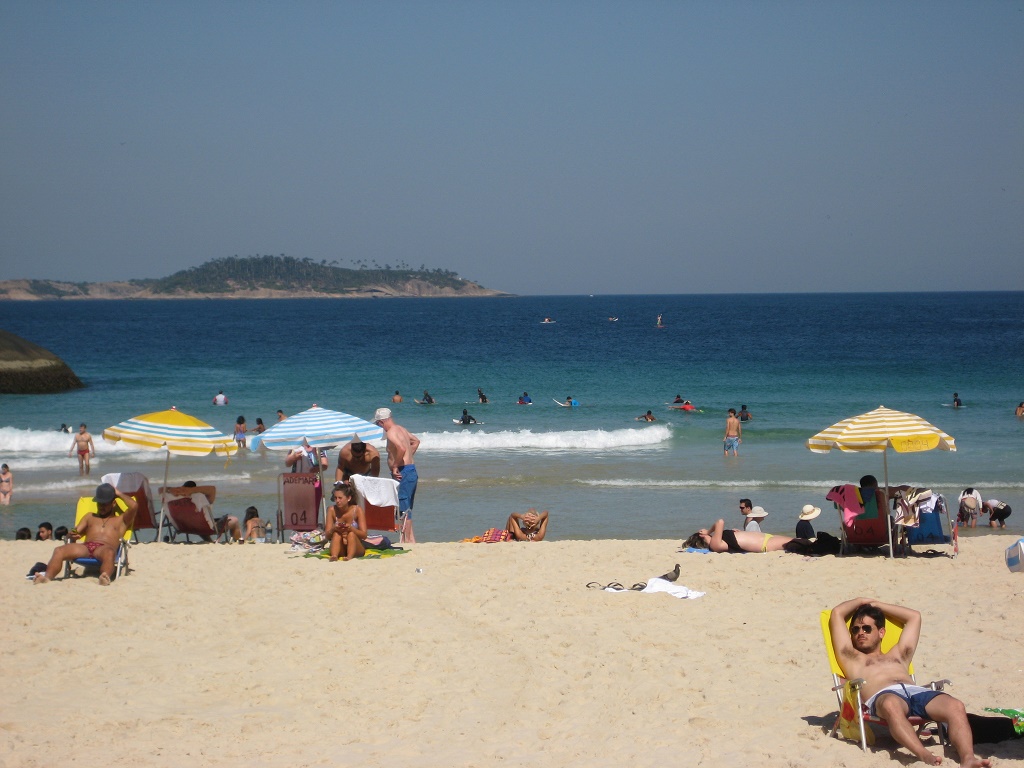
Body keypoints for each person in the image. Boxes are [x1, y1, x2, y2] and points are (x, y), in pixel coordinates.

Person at [829, 598, 990, 768]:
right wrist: (861, 601)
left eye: (867, 628)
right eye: (855, 629)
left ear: (881, 632)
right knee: (891, 705)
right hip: (884, 696)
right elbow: (837, 613)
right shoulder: (852, 658)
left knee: (955, 705)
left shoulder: (898, 654)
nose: (860, 632)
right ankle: (923, 754)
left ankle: (968, 758)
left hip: (916, 692)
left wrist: (875, 605)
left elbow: (914, 617)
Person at [34, 483, 138, 585]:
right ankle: (47, 578)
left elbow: (134, 506)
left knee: (109, 553)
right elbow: (75, 531)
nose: (101, 506)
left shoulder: (121, 520)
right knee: (59, 550)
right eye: (99, 503)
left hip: (105, 549)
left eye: (105, 503)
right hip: (86, 547)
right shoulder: (89, 516)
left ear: (113, 503)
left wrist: (118, 493)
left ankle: (104, 577)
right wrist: (71, 535)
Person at [373, 407, 420, 543]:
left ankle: (406, 540)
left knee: (403, 507)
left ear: (381, 422)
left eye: (378, 424)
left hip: (403, 471)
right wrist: (408, 457)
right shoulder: (401, 429)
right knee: (406, 506)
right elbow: (416, 441)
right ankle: (410, 539)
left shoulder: (391, 432)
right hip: (410, 470)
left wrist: (395, 466)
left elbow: (401, 448)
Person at [683, 519, 809, 554]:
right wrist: (708, 530)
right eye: (704, 535)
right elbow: (720, 522)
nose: (708, 534)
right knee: (803, 543)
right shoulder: (715, 545)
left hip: (766, 538)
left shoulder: (718, 540)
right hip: (765, 544)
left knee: (801, 542)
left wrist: (734, 533)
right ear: (702, 538)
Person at [325, 483, 368, 561]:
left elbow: (364, 535)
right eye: (335, 498)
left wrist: (351, 529)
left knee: (351, 534)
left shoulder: (357, 510)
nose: (337, 501)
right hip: (339, 547)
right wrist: (334, 529)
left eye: (340, 498)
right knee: (336, 534)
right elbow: (327, 536)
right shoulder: (331, 510)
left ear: (348, 498)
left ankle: (349, 557)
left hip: (355, 546)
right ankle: (334, 556)